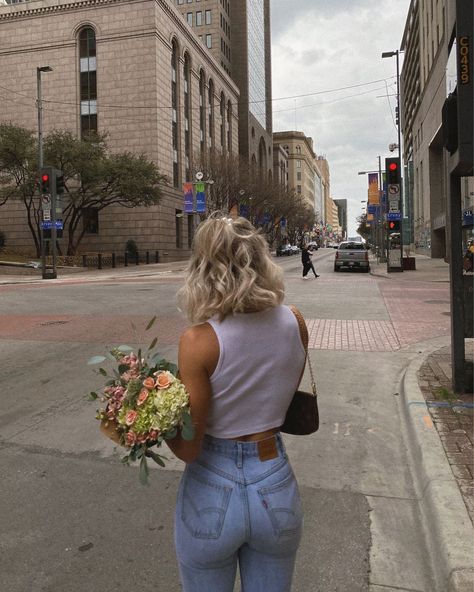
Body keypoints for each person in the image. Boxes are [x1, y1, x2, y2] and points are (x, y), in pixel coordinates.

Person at [167, 212, 309, 592]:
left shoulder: (198, 341)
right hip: (275, 479)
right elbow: (281, 402)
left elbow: (188, 448)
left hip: (212, 483)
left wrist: (156, 424)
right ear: (262, 261)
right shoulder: (295, 322)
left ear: (203, 268)